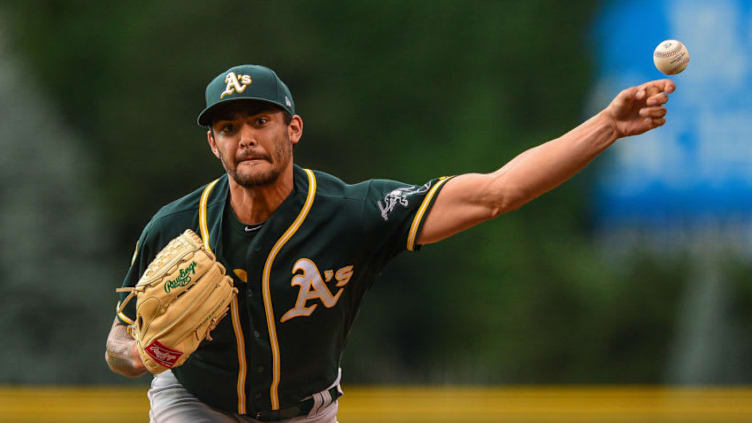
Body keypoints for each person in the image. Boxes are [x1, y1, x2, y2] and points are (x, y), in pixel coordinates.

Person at [105, 64, 675, 422]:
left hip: (307, 412)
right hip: (196, 404)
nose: (246, 138)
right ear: (213, 145)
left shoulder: (354, 213)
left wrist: (607, 126)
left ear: (293, 128)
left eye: (260, 120)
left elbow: (496, 192)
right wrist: (142, 355)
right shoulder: (177, 226)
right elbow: (117, 343)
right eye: (229, 129)